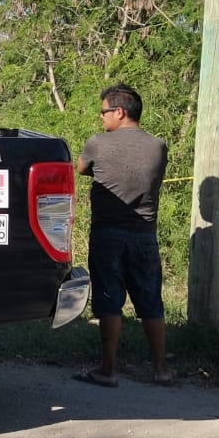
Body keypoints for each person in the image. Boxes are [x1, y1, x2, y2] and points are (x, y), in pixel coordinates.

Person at [73, 83, 171, 387]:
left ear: (119, 111)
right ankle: (160, 369)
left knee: (108, 302)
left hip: (107, 235)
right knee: (151, 302)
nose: (101, 118)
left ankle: (108, 370)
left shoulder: (97, 144)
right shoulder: (159, 146)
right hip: (144, 236)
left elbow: (80, 169)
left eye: (104, 112)